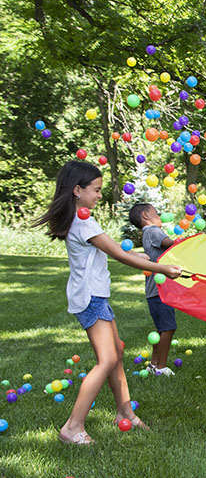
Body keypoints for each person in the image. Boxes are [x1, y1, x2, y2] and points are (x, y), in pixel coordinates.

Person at [33, 161, 182, 445]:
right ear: (78, 190)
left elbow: (118, 253)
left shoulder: (80, 218)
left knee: (118, 350)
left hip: (95, 295)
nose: (100, 195)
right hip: (90, 298)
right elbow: (120, 254)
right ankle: (72, 427)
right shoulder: (83, 221)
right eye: (96, 190)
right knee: (108, 359)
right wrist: (162, 268)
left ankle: (125, 413)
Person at [129, 203, 177, 376]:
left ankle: (154, 363)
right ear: (145, 216)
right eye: (156, 213)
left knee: (162, 329)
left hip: (154, 291)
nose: (160, 215)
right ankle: (161, 367)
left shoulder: (147, 233)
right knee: (169, 328)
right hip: (159, 290)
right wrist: (185, 242)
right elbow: (170, 244)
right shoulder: (152, 231)